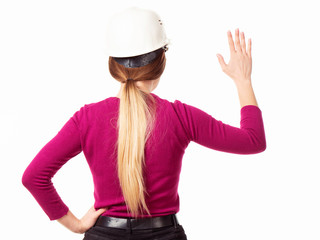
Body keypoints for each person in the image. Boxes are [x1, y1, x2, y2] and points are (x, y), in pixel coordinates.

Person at [21, 6, 266, 240]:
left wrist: (76, 224)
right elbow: (253, 141)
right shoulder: (180, 116)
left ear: (113, 65)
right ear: (161, 64)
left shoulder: (86, 118)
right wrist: (243, 80)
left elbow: (34, 176)